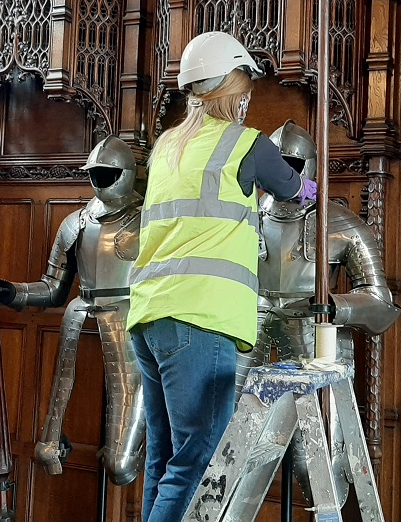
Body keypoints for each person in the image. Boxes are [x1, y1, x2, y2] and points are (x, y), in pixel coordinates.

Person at [126, 32, 317, 522]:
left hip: (149, 317)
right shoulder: (245, 144)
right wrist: (313, 186)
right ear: (234, 88)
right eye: (246, 85)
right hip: (199, 319)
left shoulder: (166, 146)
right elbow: (295, 191)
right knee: (197, 461)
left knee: (164, 458)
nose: (249, 95)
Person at [240, 120, 400, 507]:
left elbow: (381, 304)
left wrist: (335, 306)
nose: (281, 173)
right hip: (246, 328)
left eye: (290, 164)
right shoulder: (239, 217)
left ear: (308, 166)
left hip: (313, 333)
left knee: (318, 470)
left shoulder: (341, 224)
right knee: (226, 457)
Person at [0, 136, 145, 486]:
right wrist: (11, 291)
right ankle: (53, 444)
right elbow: (52, 288)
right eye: (95, 173)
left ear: (126, 173)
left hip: (127, 317)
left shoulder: (149, 220)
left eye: (107, 173)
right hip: (79, 316)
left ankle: (128, 457)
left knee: (120, 462)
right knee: (49, 432)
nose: (100, 180)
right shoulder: (76, 222)